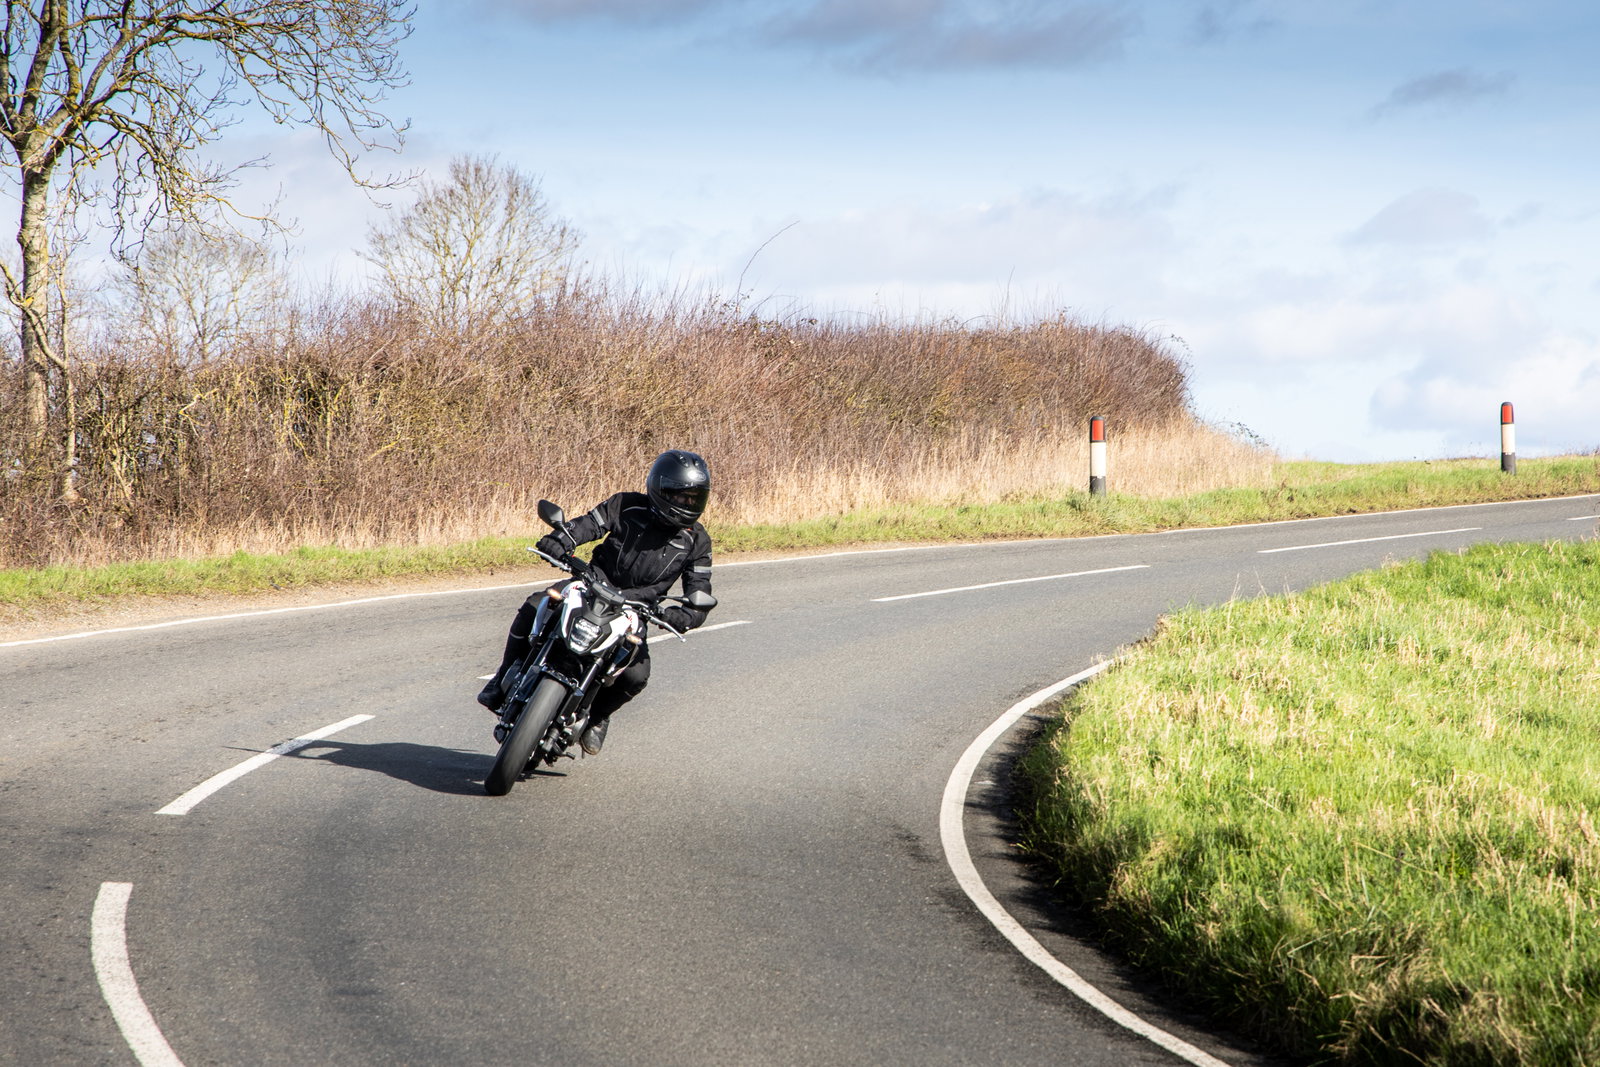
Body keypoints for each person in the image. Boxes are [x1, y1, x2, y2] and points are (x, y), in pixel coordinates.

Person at [476, 449, 715, 755]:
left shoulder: (697, 541)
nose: (687, 504)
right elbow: (586, 525)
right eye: (681, 497)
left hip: (635, 610)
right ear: (659, 489)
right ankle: (501, 678)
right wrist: (562, 540)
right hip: (590, 583)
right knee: (536, 604)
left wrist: (687, 614)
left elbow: (700, 590)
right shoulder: (626, 505)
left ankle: (597, 718)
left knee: (635, 675)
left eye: (694, 498)